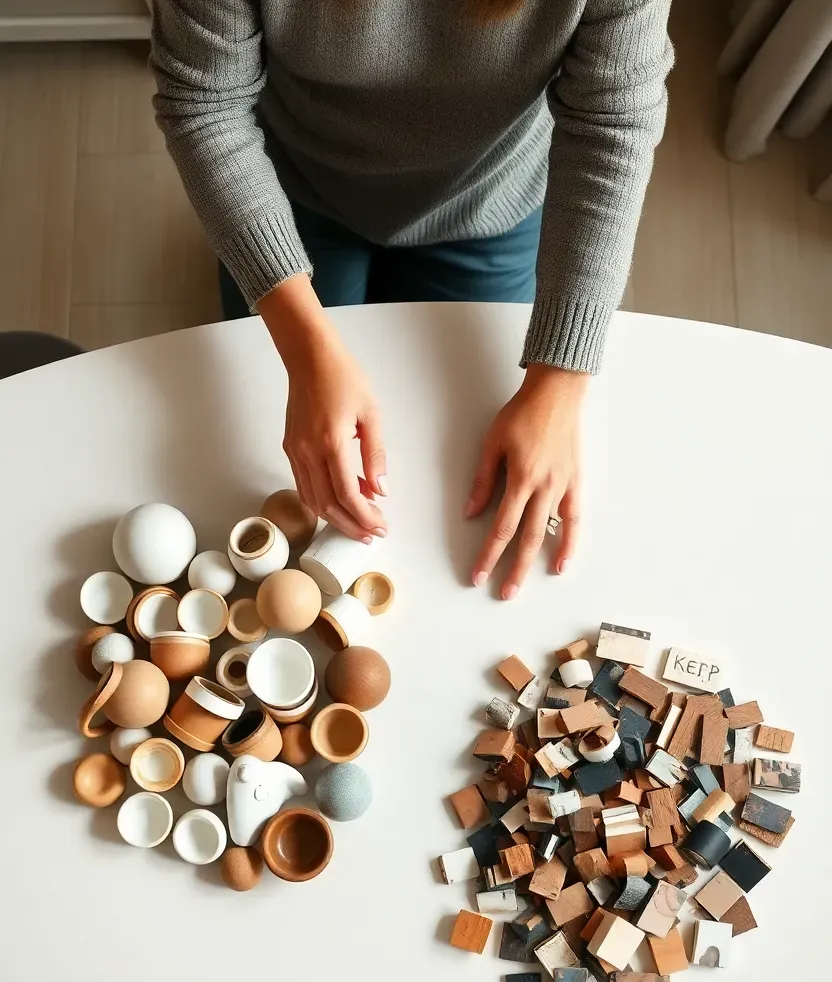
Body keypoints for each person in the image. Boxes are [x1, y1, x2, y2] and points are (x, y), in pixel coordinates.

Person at [151, 0, 672, 597]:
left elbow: (614, 124)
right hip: (302, 188)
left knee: (454, 455)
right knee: (276, 398)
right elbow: (203, 105)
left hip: (491, 199)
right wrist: (305, 350)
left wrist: (560, 380)